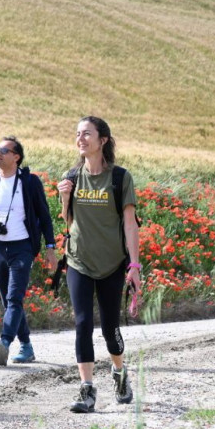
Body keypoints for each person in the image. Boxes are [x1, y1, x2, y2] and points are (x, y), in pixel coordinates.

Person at [56, 116, 140, 413]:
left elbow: (130, 224)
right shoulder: (72, 176)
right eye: (78, 134)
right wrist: (64, 198)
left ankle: (119, 371)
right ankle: (87, 390)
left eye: (87, 134)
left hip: (112, 264)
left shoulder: (119, 178)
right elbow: (68, 222)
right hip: (78, 260)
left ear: (102, 139)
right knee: (82, 324)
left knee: (109, 328)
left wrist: (135, 266)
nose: (81, 138)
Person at [0, 137, 57, 366]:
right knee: (9, 303)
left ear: (16, 156)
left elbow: (45, 216)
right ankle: (26, 346)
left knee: (14, 297)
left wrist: (50, 247)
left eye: (4, 150)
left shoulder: (29, 182)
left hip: (23, 247)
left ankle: (5, 343)